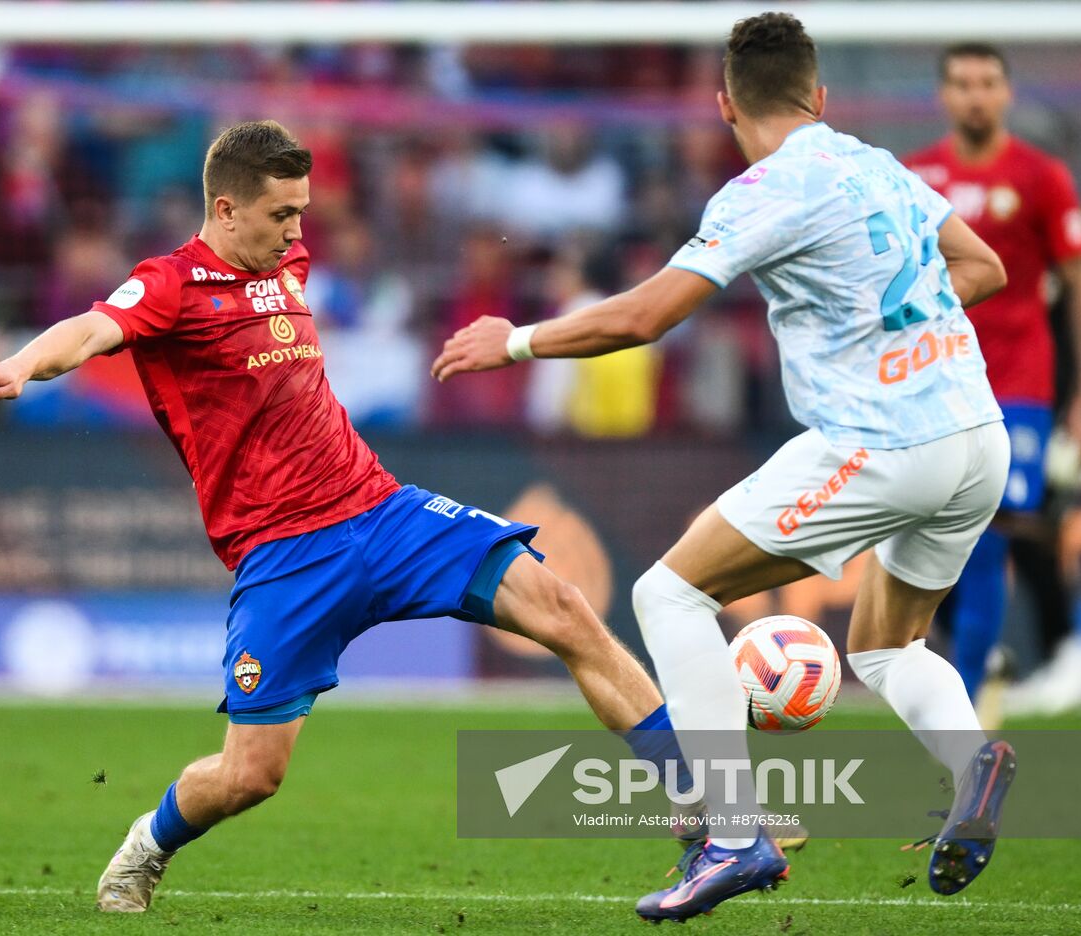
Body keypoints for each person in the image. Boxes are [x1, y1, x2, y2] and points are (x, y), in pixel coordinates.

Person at [0, 120, 677, 915]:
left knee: (564, 607)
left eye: (301, 212)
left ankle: (708, 808)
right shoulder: (170, 285)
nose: (298, 231)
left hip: (381, 510)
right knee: (251, 776)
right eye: (280, 214)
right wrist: (18, 364)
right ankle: (148, 842)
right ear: (225, 210)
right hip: (286, 559)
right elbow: (91, 329)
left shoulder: (287, 259)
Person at [434, 13, 1016, 922]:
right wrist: (898, 325)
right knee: (885, 643)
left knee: (670, 595)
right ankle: (974, 759)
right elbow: (979, 267)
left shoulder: (761, 191)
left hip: (881, 440)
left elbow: (643, 318)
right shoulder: (875, 162)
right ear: (820, 98)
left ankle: (734, 836)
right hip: (976, 435)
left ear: (724, 106)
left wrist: (514, 340)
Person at [904, 45, 1081, 710]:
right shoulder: (915, 175)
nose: (975, 96)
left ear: (1006, 94)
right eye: (961, 83)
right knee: (933, 530)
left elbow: (1079, 288)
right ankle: (971, 659)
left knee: (991, 529)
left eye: (987, 83)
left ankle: (967, 694)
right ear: (943, 95)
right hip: (935, 381)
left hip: (1018, 383)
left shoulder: (1041, 177)